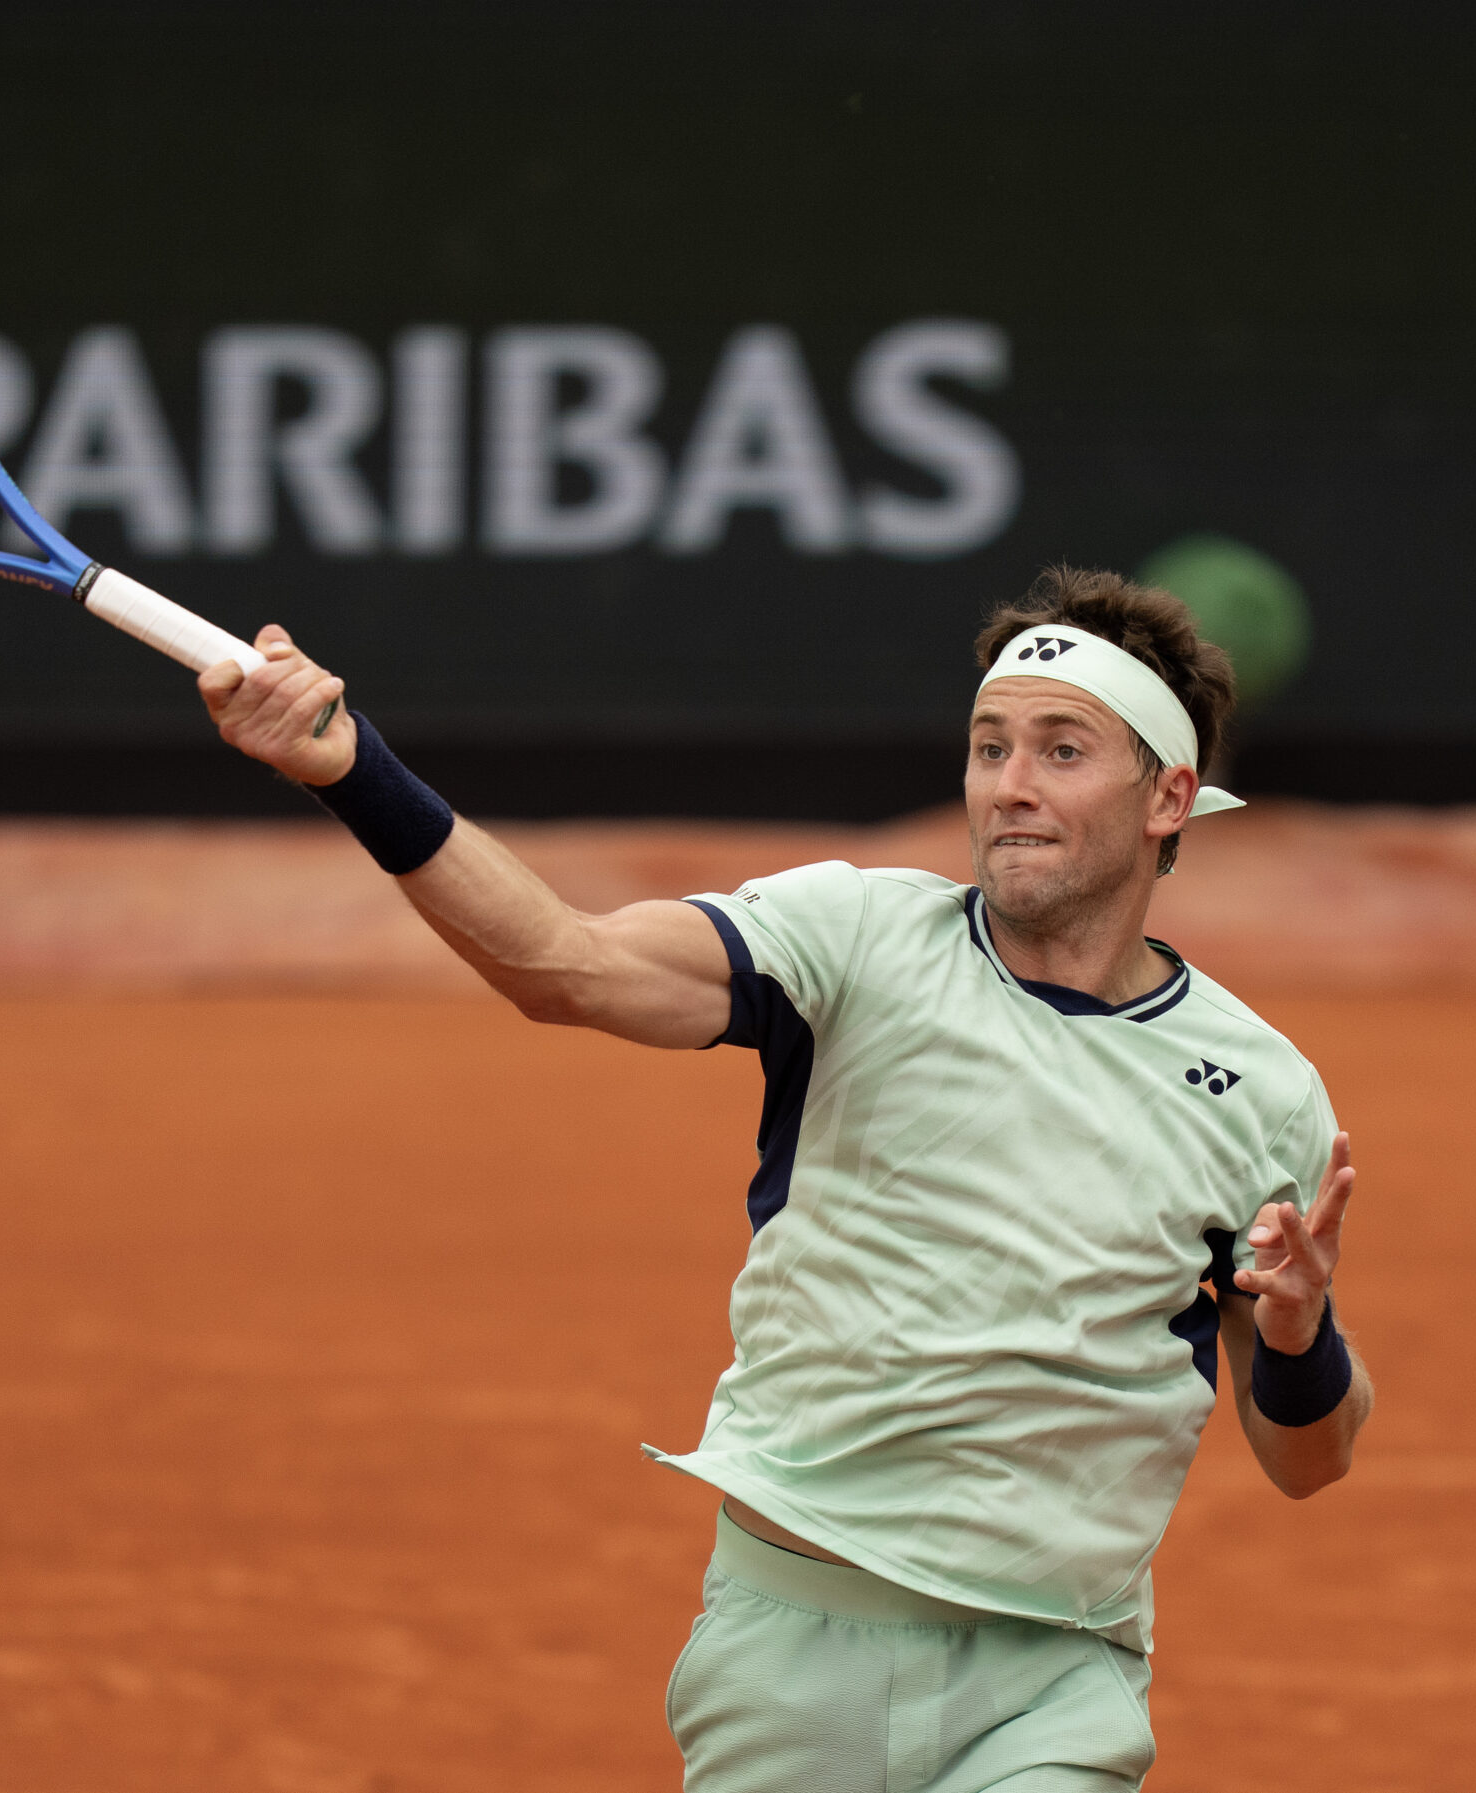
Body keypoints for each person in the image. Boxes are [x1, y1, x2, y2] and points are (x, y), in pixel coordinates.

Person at [198, 564, 1371, 1792]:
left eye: (1062, 750)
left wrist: (1297, 1338)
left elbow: (1310, 1456)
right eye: (989, 746)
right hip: (787, 1660)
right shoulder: (854, 939)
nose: (1009, 787)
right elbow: (566, 964)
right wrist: (353, 771)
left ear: (1168, 796)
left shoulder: (1260, 1088)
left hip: (1054, 1676)